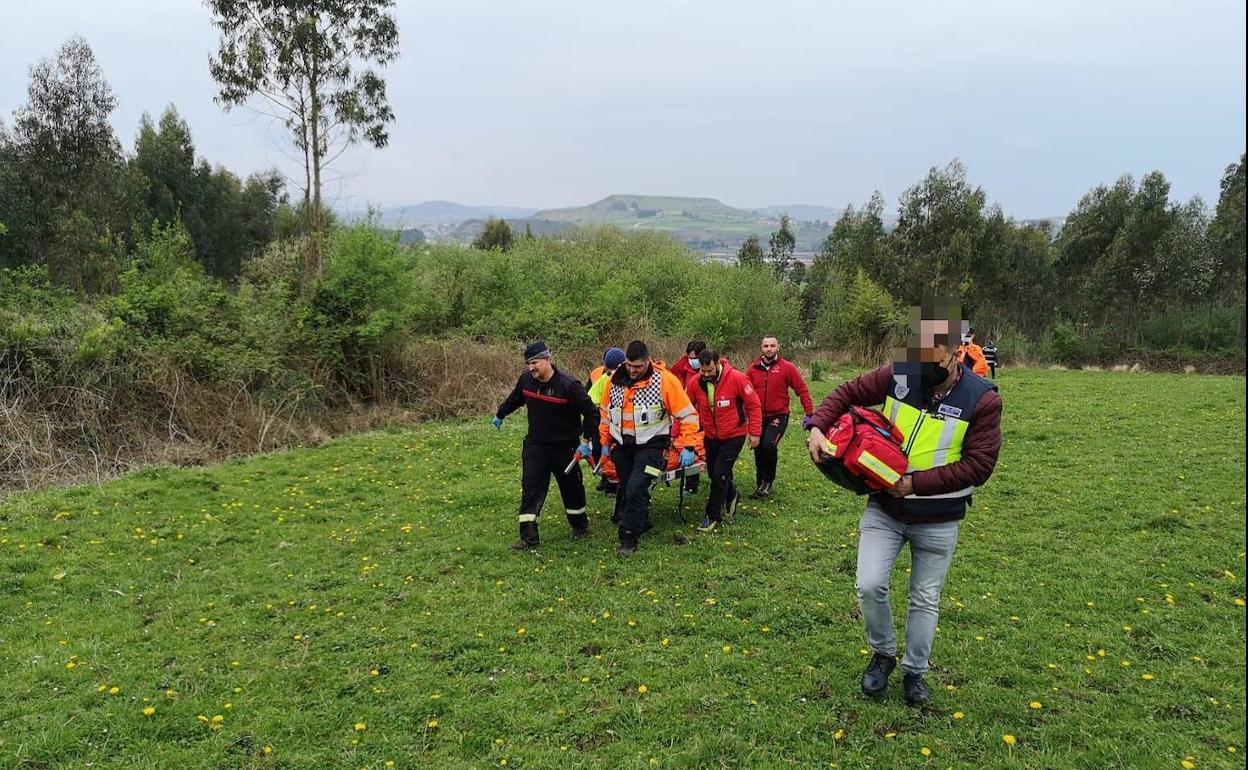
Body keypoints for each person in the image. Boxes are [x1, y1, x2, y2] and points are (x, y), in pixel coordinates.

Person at [806, 301, 1002, 706]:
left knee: (924, 599)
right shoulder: (901, 373)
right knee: (869, 584)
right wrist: (817, 426)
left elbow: (978, 466)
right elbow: (847, 391)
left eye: (935, 353)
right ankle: (882, 654)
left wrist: (914, 484)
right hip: (885, 509)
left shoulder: (983, 400)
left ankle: (916, 672)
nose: (923, 362)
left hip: (939, 517)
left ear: (957, 350)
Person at [493, 340, 599, 550]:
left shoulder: (568, 386)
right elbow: (516, 398)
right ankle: (528, 537)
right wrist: (501, 413)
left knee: (572, 489)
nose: (531, 367)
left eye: (535, 362)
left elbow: (591, 413)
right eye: (528, 363)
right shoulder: (527, 380)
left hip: (565, 447)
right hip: (536, 446)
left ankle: (579, 526)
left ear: (548, 360)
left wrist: (586, 442)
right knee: (530, 488)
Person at [599, 340, 701, 556]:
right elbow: (606, 415)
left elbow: (688, 415)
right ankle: (641, 521)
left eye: (638, 366)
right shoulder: (614, 381)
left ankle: (628, 538)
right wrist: (604, 443)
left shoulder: (664, 381)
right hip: (623, 447)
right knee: (628, 488)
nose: (632, 371)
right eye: (629, 365)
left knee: (636, 488)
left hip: (653, 449)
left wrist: (689, 445)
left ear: (648, 361)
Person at [686, 348, 761, 532]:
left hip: (734, 435)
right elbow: (686, 408)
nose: (705, 374)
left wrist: (755, 433)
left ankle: (712, 516)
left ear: (718, 364)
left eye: (709, 370)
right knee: (713, 473)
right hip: (710, 436)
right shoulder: (696, 383)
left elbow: (753, 405)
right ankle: (732, 494)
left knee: (720, 474)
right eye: (702, 371)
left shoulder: (737, 378)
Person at [746, 335, 815, 499]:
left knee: (768, 445)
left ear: (778, 347)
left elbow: (802, 389)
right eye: (765, 346)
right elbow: (743, 393)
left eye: (772, 346)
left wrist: (810, 413)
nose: (768, 349)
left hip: (778, 415)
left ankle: (768, 481)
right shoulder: (752, 369)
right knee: (758, 447)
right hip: (758, 416)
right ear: (761, 348)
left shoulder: (787, 367)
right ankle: (760, 482)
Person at [587, 347, 627, 495]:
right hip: (603, 419)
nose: (612, 373)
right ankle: (606, 477)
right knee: (598, 449)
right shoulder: (602, 378)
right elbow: (589, 399)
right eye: (609, 370)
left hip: (623, 423)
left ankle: (615, 484)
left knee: (618, 455)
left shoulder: (633, 377)